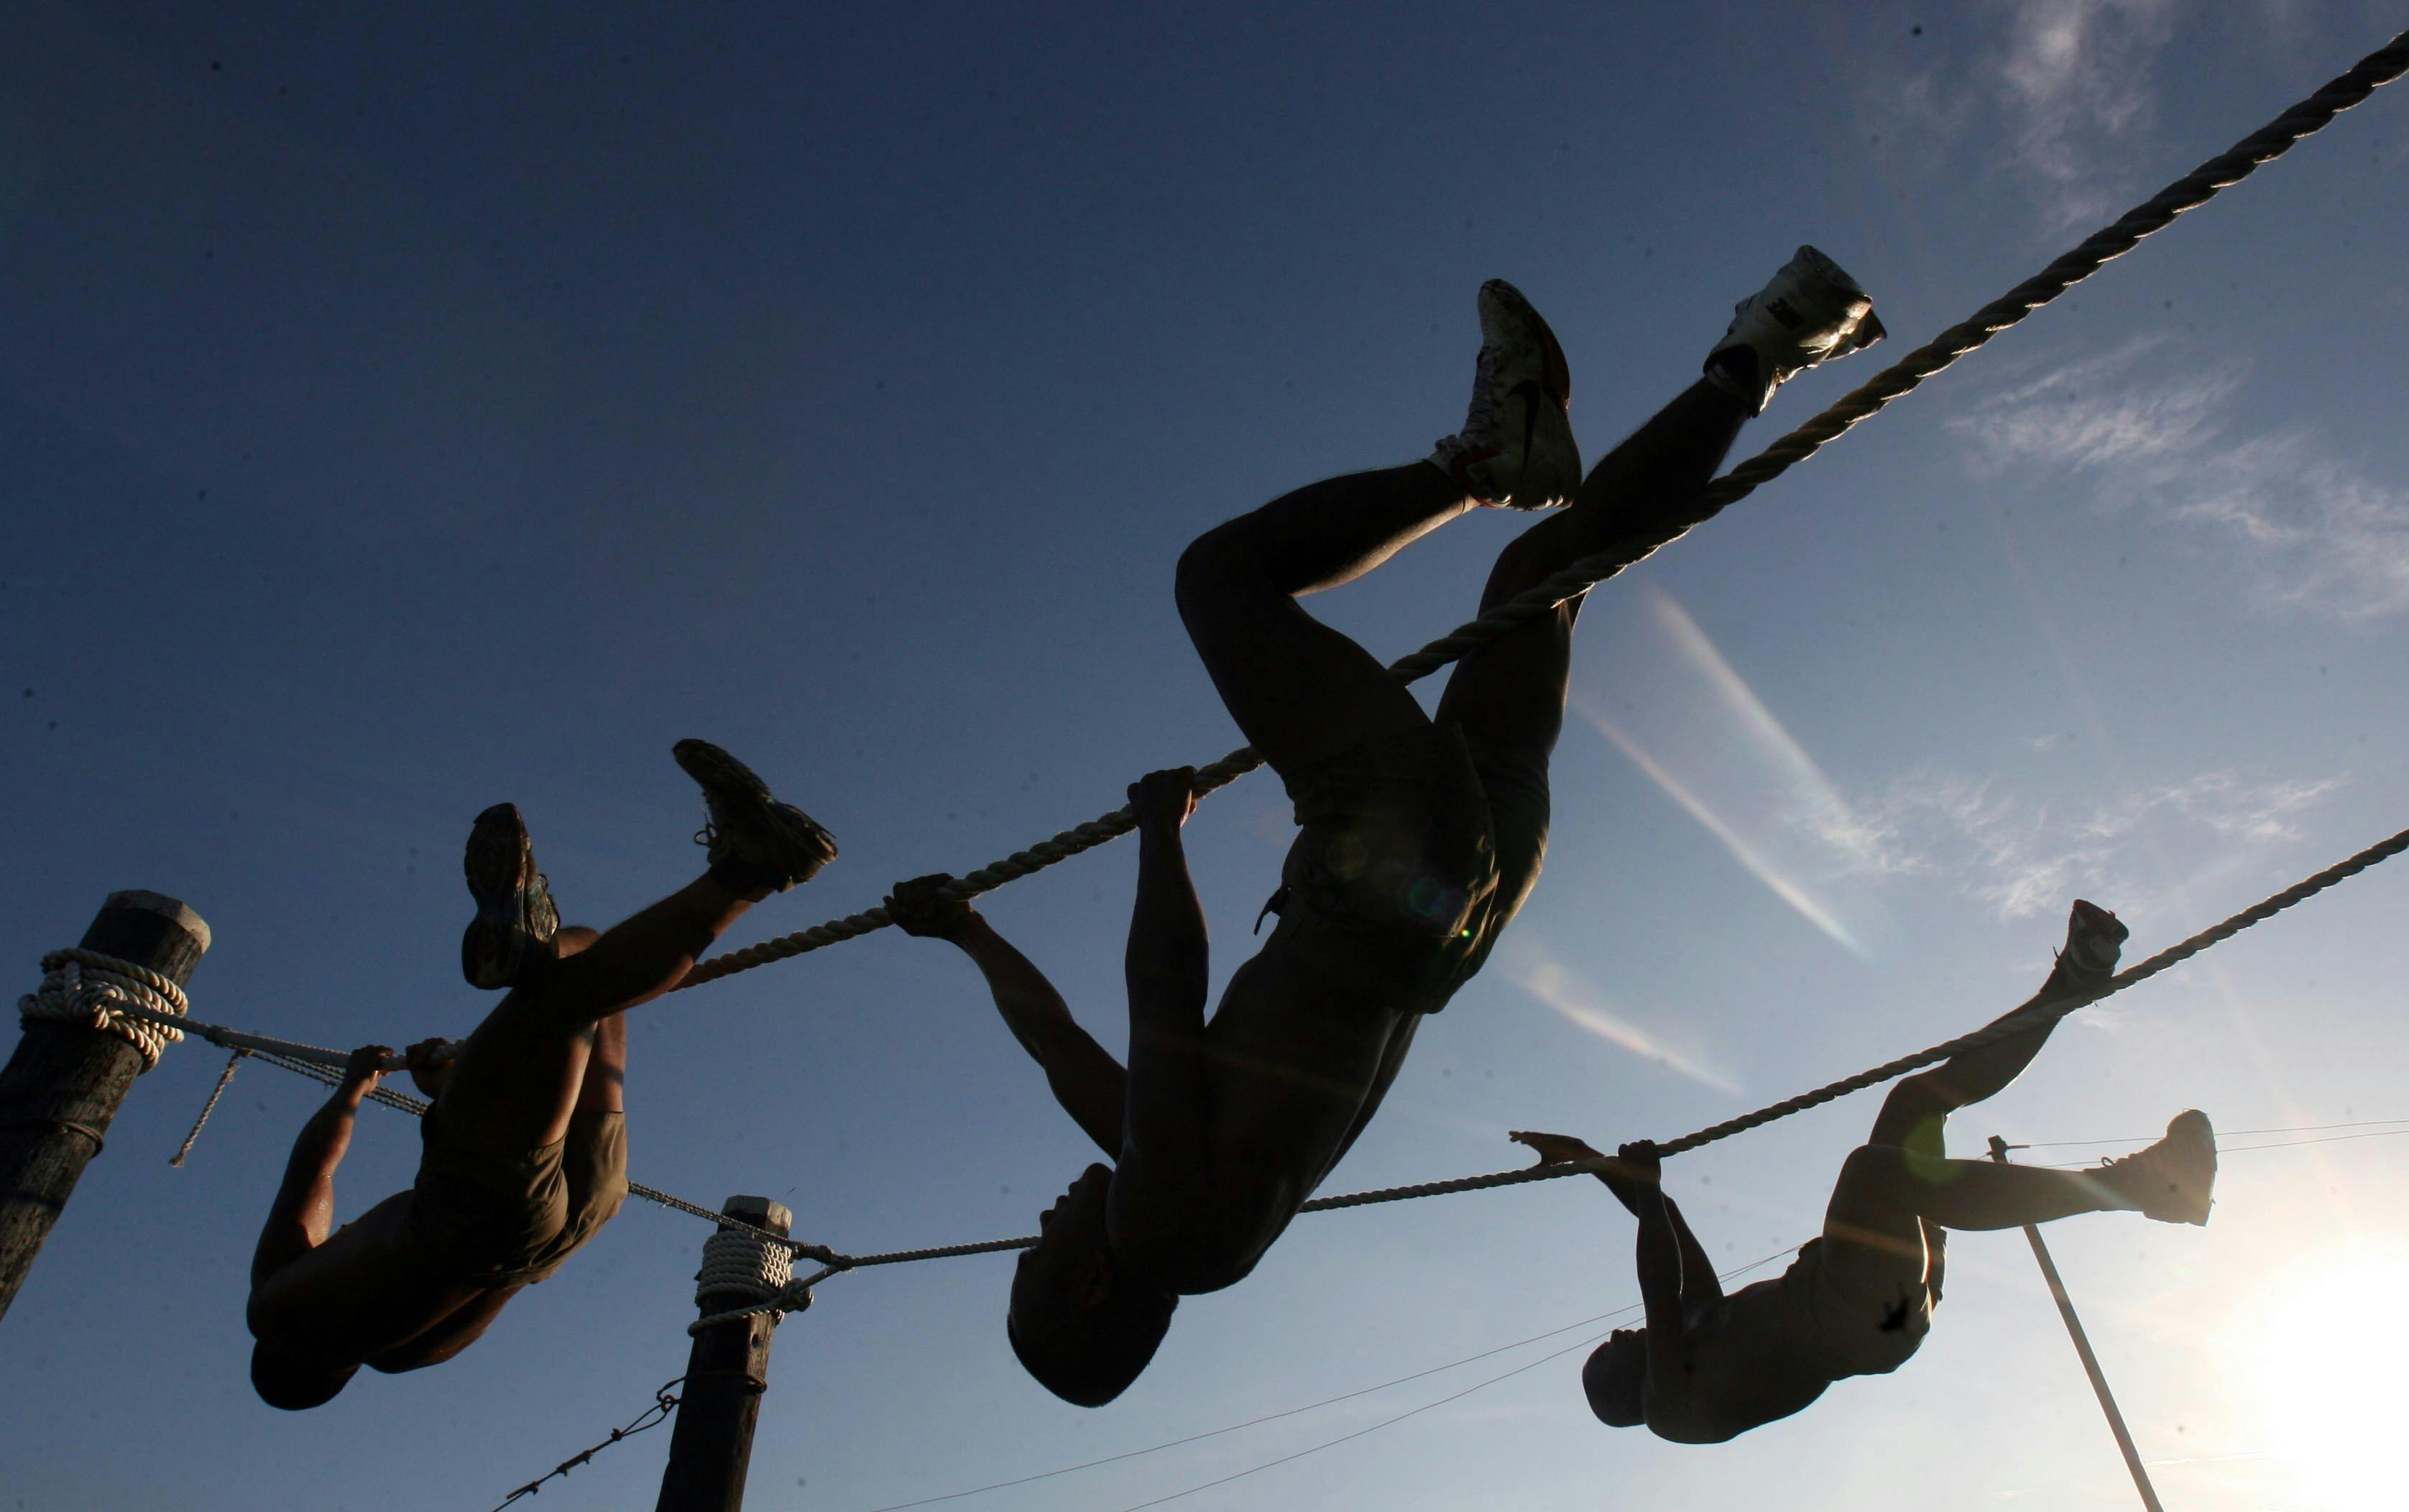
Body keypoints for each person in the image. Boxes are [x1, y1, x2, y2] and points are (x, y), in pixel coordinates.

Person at [884, 249, 1889, 1405]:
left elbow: (1060, 1049)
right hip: (1378, 885)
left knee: (1543, 577)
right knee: (1221, 579)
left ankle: (1766, 349)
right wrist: (1161, 832)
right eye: (1035, 1265)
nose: (1041, 1229)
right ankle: (1480, 463)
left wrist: (965, 932)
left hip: (1461, 910)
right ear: (1088, 1293)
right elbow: (1164, 989)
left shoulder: (1197, 1217)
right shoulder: (1158, 1230)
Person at [244, 740, 835, 1409]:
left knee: (585, 982)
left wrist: (479, 1092)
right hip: (475, 1216)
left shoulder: (405, 1353)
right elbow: (311, 1180)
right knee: (557, 1001)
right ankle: (755, 868)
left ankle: (545, 948)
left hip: (566, 1223)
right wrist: (355, 1086)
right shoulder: (273, 1316)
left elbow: (507, 1265)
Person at [1515, 898, 2219, 1444]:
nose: (1613, 1337)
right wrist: (1635, 1184)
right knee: (1870, 1173)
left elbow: (1660, 1222)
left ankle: (2072, 981)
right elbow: (1654, 1284)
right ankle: (2137, 1186)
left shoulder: (1703, 1320)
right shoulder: (1668, 1408)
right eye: (1607, 1353)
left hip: (1876, 1291)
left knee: (1914, 1102)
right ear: (1620, 1388)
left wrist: (1590, 1160)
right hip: (1855, 1316)